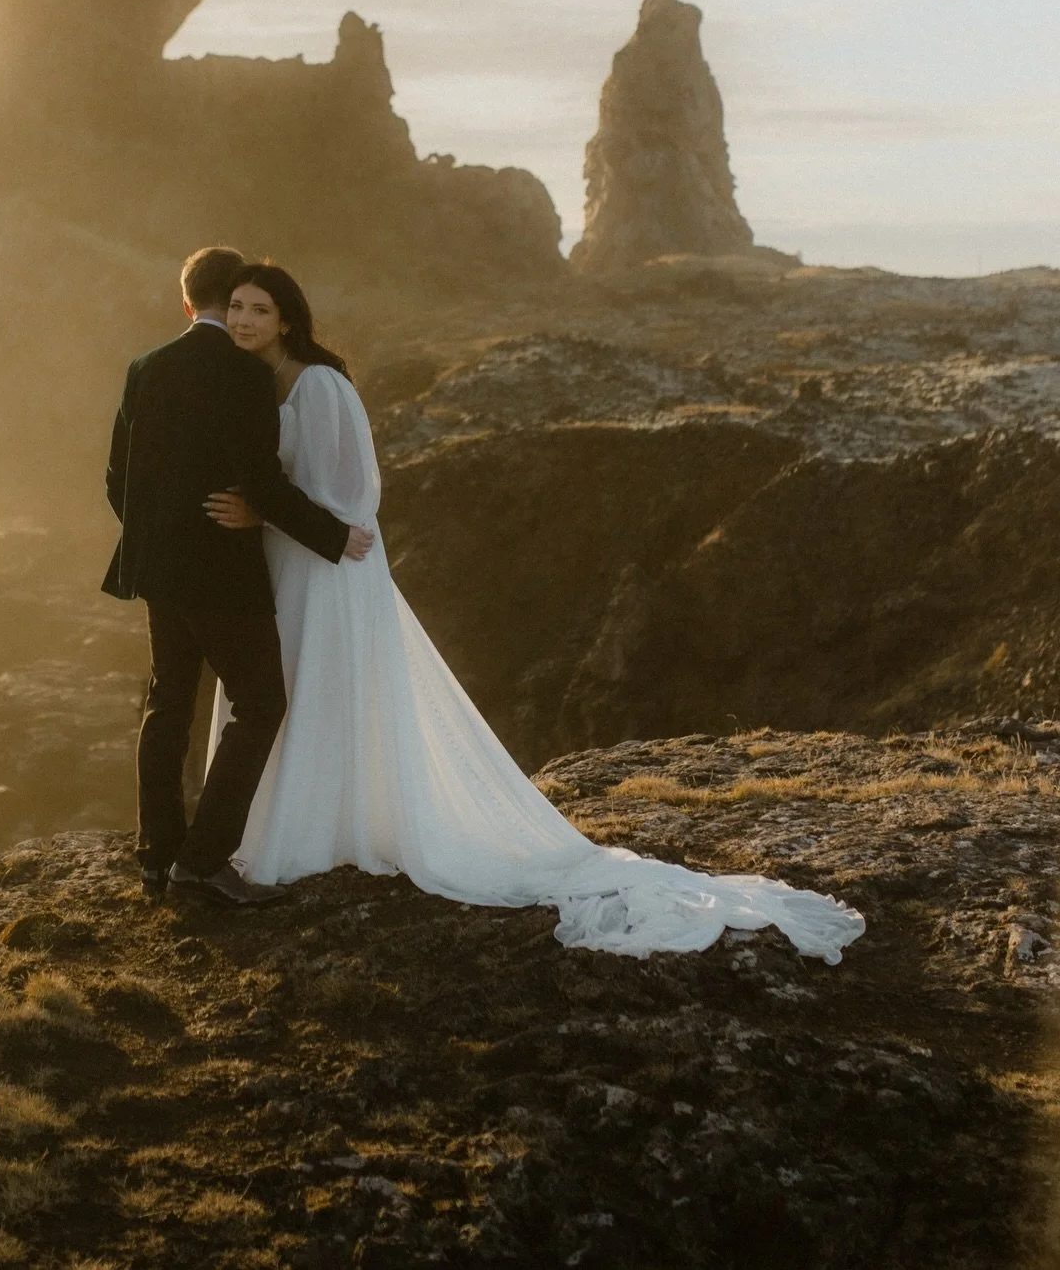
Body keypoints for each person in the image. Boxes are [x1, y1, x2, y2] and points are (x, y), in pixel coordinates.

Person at [203, 262, 865, 962]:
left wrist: (267, 517)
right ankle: (292, 823)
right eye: (237, 306)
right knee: (289, 683)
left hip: (328, 565)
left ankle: (313, 831)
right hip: (290, 559)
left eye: (259, 309)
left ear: (287, 319)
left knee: (320, 685)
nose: (244, 319)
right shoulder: (255, 382)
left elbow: (347, 493)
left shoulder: (319, 383)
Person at [103, 246, 375, 907]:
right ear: (229, 303)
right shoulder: (246, 373)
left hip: (158, 570)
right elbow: (262, 482)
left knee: (169, 702)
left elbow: (118, 479)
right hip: (222, 572)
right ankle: (202, 862)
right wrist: (332, 535)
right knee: (260, 705)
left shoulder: (146, 366)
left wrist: (160, 535)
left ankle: (156, 856)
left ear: (186, 301)